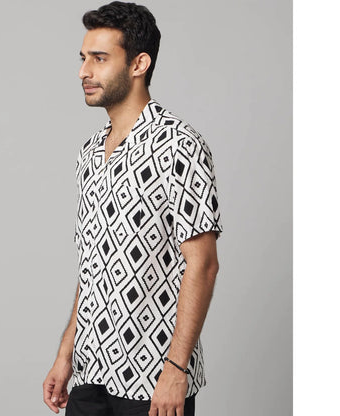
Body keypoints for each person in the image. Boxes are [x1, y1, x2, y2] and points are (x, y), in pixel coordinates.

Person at [43, 2, 223, 415]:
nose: (83, 71)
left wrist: (176, 369)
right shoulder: (90, 152)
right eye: (83, 58)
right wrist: (65, 353)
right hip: (90, 370)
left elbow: (203, 265)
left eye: (99, 58)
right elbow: (93, 267)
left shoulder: (178, 145)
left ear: (139, 63)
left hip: (152, 378)